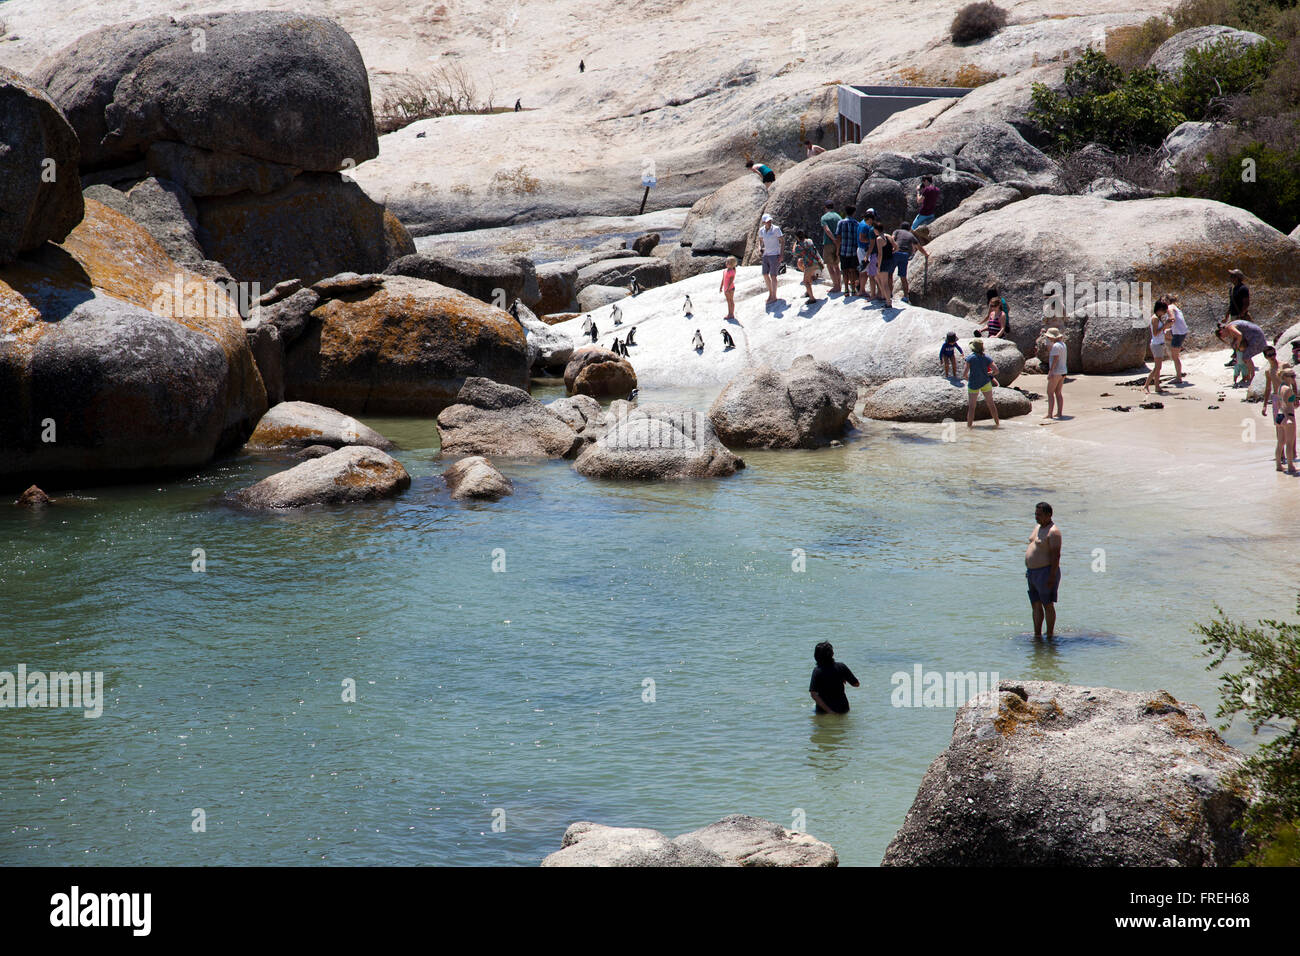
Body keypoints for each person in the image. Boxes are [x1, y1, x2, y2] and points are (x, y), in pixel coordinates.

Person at [1025, 502, 1062, 640]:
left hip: (1046, 572)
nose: (1036, 517)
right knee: (1035, 604)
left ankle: (1050, 635)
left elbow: (1056, 555)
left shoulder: (1054, 532)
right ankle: (1037, 635)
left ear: (1049, 515)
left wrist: (1052, 576)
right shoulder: (1037, 527)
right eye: (1035, 514)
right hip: (1032, 573)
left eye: (1039, 515)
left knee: (1047, 604)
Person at [808, 641, 859, 714]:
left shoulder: (817, 671)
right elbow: (856, 684)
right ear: (832, 654)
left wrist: (829, 711)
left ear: (816, 656)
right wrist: (843, 677)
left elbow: (813, 694)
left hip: (823, 711)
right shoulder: (841, 667)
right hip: (842, 708)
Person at [1217, 315, 1267, 388]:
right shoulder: (1231, 326)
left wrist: (1238, 343)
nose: (1226, 336)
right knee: (1246, 357)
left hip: (1255, 336)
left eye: (1224, 336)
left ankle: (1252, 377)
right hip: (1255, 334)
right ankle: (1248, 376)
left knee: (1246, 357)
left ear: (1221, 331)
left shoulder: (1230, 327)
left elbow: (1239, 335)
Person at [964, 338, 1000, 428]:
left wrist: (970, 379)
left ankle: (969, 428)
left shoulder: (970, 358)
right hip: (986, 383)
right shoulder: (986, 357)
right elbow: (996, 371)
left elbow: (964, 374)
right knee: (991, 404)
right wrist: (990, 373)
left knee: (972, 407)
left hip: (973, 384)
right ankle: (997, 424)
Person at [891, 225, 929, 304]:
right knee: (903, 277)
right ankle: (906, 297)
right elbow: (919, 246)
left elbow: (892, 239)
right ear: (909, 229)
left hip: (895, 253)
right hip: (905, 255)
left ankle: (889, 294)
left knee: (889, 274)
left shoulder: (897, 231)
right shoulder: (911, 235)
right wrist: (926, 254)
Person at [1144, 301, 1173, 394]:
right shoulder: (1155, 319)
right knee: (1157, 367)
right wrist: (1165, 326)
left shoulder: (1158, 318)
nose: (1165, 313)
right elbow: (1155, 333)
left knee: (1158, 367)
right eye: (1164, 310)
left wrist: (1165, 328)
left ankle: (1157, 387)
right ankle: (1146, 385)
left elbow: (1159, 332)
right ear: (1159, 309)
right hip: (1156, 345)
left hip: (1159, 344)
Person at [1276, 365, 1299, 475]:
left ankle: (1279, 465)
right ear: (1285, 377)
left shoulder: (1280, 387)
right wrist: (1287, 418)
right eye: (1292, 376)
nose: (1294, 378)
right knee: (1289, 443)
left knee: (1280, 442)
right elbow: (1285, 404)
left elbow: (1281, 402)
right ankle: (1290, 466)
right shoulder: (1288, 389)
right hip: (1287, 416)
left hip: (1280, 416)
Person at [834, 206, 860, 297]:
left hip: (843, 250)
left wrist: (837, 250)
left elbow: (838, 237)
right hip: (853, 251)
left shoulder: (840, 222)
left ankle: (846, 290)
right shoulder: (857, 223)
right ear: (854, 213)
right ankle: (853, 290)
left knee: (844, 271)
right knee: (852, 270)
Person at [757, 214, 783, 304]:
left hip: (774, 254)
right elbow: (760, 241)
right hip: (766, 254)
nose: (769, 222)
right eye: (767, 221)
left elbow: (782, 241)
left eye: (770, 220)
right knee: (765, 274)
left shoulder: (776, 229)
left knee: (773, 275)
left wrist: (781, 254)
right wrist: (759, 247)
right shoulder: (762, 230)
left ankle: (774, 296)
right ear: (764, 222)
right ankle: (770, 293)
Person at [793, 229, 823, 302]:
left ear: (797, 237)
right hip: (817, 263)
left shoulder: (798, 246)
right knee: (808, 279)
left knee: (806, 281)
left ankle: (812, 298)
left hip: (810, 265)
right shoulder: (810, 240)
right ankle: (808, 292)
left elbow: (794, 253)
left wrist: (795, 244)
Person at [1044, 327, 1067, 420]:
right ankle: (1059, 413)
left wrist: (1050, 371)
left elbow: (1055, 359)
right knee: (1058, 393)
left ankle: (1050, 414)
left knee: (1050, 393)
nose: (1048, 339)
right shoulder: (1063, 344)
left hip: (1056, 372)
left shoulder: (1055, 346)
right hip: (1063, 371)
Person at [819, 201, 842, 294]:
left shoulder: (824, 217)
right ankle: (839, 285)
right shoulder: (838, 217)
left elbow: (827, 230)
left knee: (829, 265)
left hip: (829, 243)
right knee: (836, 266)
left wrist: (833, 239)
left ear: (825, 207)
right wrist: (838, 241)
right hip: (838, 243)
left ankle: (835, 286)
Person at [1166, 293, 1188, 383]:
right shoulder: (1175, 306)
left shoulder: (1170, 307)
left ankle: (1178, 378)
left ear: (1167, 300)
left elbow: (1172, 318)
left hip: (1178, 333)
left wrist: (1165, 325)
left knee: (1175, 357)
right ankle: (1180, 347)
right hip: (1181, 332)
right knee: (1164, 334)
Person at [876, 225, 897, 307]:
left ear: (876, 230)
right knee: (886, 281)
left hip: (884, 262)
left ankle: (888, 302)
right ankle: (887, 299)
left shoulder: (879, 239)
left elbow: (880, 254)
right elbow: (896, 247)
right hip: (890, 260)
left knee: (884, 283)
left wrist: (878, 265)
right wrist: (891, 253)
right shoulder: (888, 236)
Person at [720, 255, 738, 320]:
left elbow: (731, 281)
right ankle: (730, 313)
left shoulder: (732, 272)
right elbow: (723, 279)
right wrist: (721, 286)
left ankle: (731, 314)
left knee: (730, 301)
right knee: (728, 301)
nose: (727, 263)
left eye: (729, 263)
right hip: (726, 289)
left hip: (730, 289)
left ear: (732, 265)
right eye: (727, 262)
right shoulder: (725, 271)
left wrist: (727, 289)